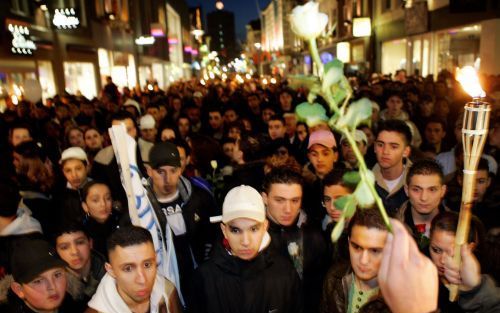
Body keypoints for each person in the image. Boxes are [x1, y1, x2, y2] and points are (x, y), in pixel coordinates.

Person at [192, 185, 303, 313]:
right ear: (224, 230)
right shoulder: (204, 278)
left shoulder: (285, 274)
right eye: (236, 230)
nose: (245, 241)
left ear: (265, 227)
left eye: (253, 229)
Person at [146, 141, 219, 308]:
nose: (167, 178)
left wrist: (207, 266)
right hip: (161, 281)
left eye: (173, 171)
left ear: (181, 169)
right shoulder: (142, 207)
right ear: (149, 171)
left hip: (198, 279)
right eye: (160, 172)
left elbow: (214, 233)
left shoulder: (199, 197)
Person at [262, 168, 328, 313]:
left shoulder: (313, 238)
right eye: (279, 200)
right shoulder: (250, 237)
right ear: (265, 198)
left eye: (295, 200)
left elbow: (317, 291)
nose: (288, 209)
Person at [86, 226, 182, 313]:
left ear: (155, 260)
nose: (142, 280)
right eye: (128, 268)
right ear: (111, 271)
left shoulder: (168, 291)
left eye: (147, 265)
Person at [320, 209, 390, 313]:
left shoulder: (398, 297)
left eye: (375, 251)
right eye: (357, 247)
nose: (363, 260)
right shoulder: (334, 277)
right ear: (348, 242)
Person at [428, 211, 483, 312]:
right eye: (436, 250)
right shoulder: (419, 275)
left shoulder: (481, 283)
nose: (443, 260)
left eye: (453, 254)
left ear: (469, 249)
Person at [4, 237, 75, 312]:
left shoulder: (72, 304)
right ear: (19, 290)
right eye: (38, 281)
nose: (53, 286)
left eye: (57, 275)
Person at [395, 159, 448, 250]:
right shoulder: (392, 227)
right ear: (406, 190)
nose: (424, 198)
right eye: (416, 189)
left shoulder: (459, 228)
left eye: (432, 190)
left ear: (443, 191)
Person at [54, 223, 106, 311]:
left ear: (90, 243)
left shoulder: (111, 271)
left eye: (80, 242)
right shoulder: (57, 290)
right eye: (64, 247)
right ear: (57, 252)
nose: (74, 252)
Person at [373, 120, 412, 216]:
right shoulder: (363, 181)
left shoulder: (419, 181)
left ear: (406, 151)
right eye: (380, 145)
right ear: (374, 147)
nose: (385, 151)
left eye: (393, 147)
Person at [302, 129, 340, 225]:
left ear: (335, 156)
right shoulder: (303, 186)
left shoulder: (345, 184)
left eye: (325, 153)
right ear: (309, 156)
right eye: (314, 154)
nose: (320, 159)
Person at [80, 181, 123, 256]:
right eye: (95, 200)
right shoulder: (82, 231)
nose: (103, 204)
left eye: (108, 198)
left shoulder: (122, 221)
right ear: (85, 206)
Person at [58, 147, 92, 225]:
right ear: (63, 172)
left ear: (87, 167)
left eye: (78, 168)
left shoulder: (99, 187)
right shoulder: (60, 196)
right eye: (68, 170)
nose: (74, 175)